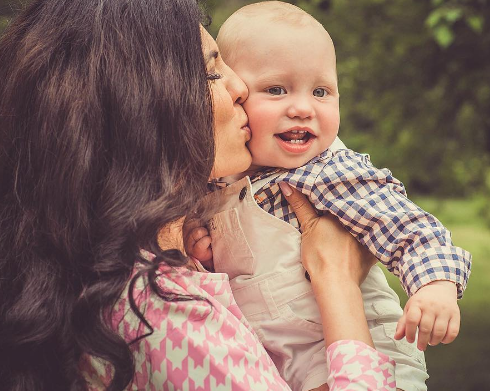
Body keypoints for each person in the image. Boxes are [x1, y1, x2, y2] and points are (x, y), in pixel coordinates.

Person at [0, 0, 396, 390]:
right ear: (144, 109)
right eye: (211, 73)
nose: (241, 86)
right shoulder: (166, 314)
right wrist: (336, 281)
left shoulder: (126, 269)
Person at [190, 2, 472, 391]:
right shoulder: (219, 180)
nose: (303, 108)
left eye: (321, 91)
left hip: (373, 354)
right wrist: (200, 245)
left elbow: (408, 226)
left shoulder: (330, 171)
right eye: (276, 89)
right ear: (236, 93)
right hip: (279, 361)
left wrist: (434, 287)